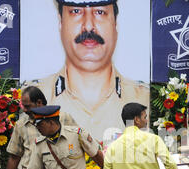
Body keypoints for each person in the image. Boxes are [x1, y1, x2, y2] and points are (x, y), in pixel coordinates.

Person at [26, 0, 149, 141]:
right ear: (60, 22)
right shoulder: (31, 99)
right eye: (76, 11)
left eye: (100, 12)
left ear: (115, 23)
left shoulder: (144, 99)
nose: (89, 26)